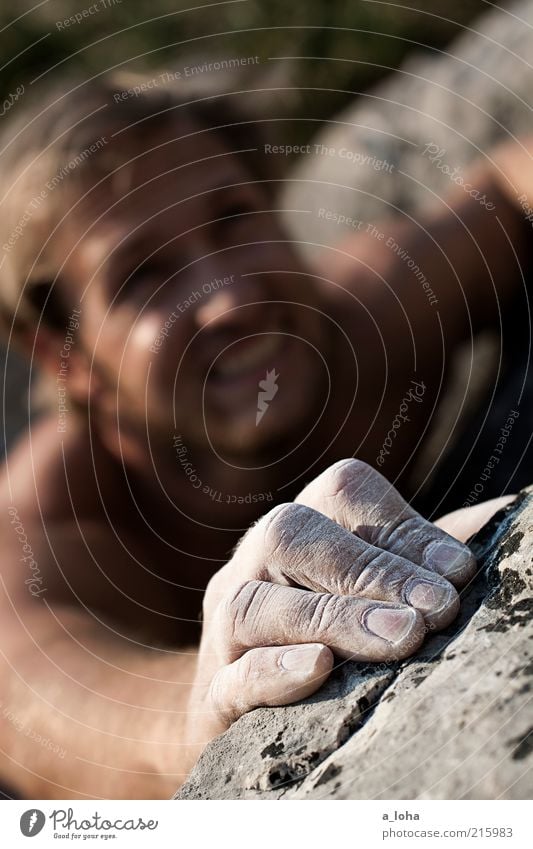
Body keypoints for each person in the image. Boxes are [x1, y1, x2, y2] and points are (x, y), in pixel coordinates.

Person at [0, 76, 529, 799]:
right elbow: (47, 712)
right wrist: (206, 692)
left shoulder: (366, 324)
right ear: (64, 352)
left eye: (232, 219)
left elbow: (505, 188)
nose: (230, 297)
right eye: (143, 276)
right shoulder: (52, 521)